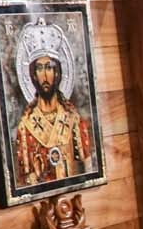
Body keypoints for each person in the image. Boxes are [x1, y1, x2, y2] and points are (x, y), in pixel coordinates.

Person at [10, 18, 97, 185]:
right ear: (33, 75)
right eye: (39, 68)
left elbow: (88, 170)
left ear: (57, 73)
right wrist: (35, 175)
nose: (44, 75)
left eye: (49, 67)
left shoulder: (73, 119)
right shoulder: (26, 126)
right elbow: (25, 181)